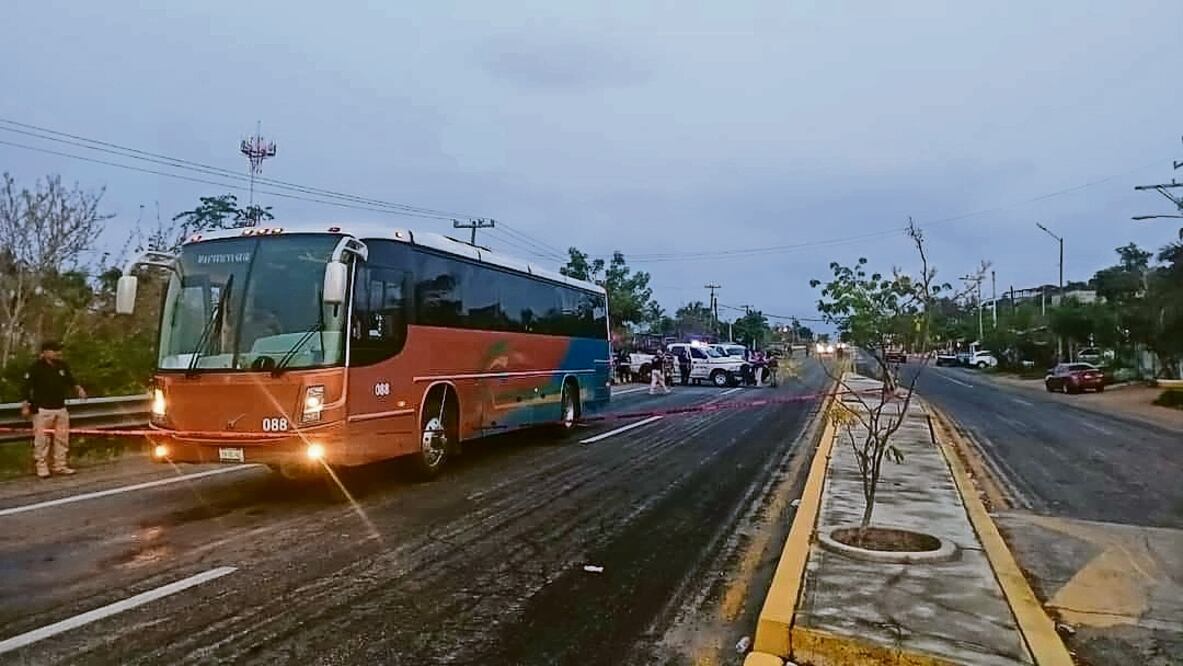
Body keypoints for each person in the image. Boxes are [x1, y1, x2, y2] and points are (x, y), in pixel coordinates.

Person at [21, 340, 86, 479]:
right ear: (45, 352)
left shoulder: (62, 366)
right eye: (54, 350)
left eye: (58, 350)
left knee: (62, 438)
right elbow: (26, 387)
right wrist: (25, 405)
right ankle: (42, 466)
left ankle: (60, 465)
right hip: (42, 409)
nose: (57, 353)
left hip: (60, 407)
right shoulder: (35, 367)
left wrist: (79, 389)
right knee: (42, 440)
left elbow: (71, 380)